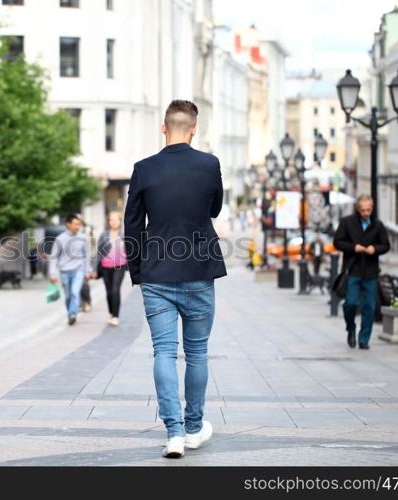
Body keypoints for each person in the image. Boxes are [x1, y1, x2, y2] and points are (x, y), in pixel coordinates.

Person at [124, 99, 226, 458]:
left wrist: (137, 271)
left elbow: (132, 225)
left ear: (164, 127)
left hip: (157, 271)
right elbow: (215, 208)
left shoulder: (143, 169)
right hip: (199, 268)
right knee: (197, 353)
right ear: (194, 129)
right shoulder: (209, 164)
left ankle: (174, 434)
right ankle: (195, 427)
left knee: (164, 351)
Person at [333, 194, 390, 350]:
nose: (366, 213)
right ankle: (350, 328)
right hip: (353, 269)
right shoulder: (347, 222)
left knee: (369, 307)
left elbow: (386, 245)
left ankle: (364, 339)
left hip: (371, 271)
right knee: (350, 303)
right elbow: (337, 241)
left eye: (368, 210)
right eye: (363, 210)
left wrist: (375, 249)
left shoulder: (377, 225)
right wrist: (353, 247)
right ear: (358, 209)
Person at [48, 214, 92, 326]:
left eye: (79, 224)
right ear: (68, 224)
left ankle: (73, 314)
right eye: (75, 224)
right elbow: (54, 258)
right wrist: (52, 274)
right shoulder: (60, 239)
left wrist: (87, 271)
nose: (78, 226)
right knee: (68, 296)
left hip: (78, 270)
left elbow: (87, 256)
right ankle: (70, 314)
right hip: (64, 271)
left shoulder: (82, 238)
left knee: (74, 292)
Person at [97, 211, 128, 326]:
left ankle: (115, 316)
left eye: (116, 220)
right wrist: (95, 270)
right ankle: (111, 312)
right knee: (109, 292)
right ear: (108, 221)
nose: (114, 222)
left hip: (120, 266)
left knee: (115, 290)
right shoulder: (104, 234)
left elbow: (131, 251)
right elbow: (99, 252)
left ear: (120, 221)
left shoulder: (124, 235)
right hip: (105, 266)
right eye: (111, 220)